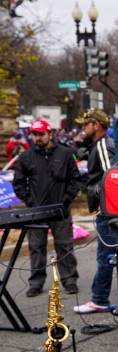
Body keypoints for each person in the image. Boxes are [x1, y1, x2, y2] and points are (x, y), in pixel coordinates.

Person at [12, 119, 81, 297]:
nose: (38, 138)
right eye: (35, 135)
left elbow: (75, 180)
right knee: (36, 247)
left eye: (41, 134)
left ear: (50, 134)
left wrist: (66, 200)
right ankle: (36, 282)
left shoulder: (65, 154)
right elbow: (18, 183)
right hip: (36, 212)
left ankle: (70, 280)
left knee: (65, 246)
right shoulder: (26, 157)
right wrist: (30, 201)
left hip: (60, 211)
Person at [73, 110, 118, 314]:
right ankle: (101, 298)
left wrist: (104, 204)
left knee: (107, 257)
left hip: (109, 212)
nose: (84, 127)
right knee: (110, 256)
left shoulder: (103, 145)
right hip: (110, 211)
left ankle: (100, 299)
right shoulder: (100, 145)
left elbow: (113, 177)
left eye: (86, 124)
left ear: (97, 125)